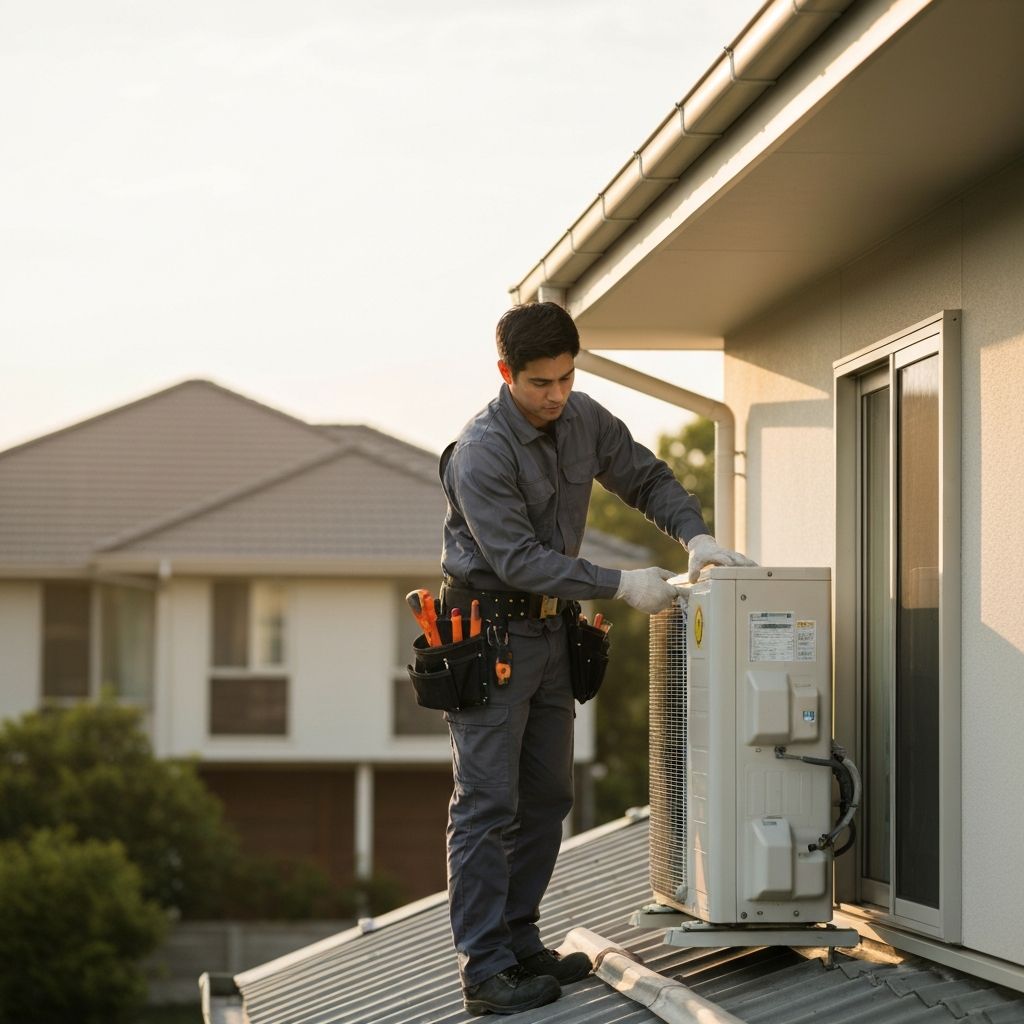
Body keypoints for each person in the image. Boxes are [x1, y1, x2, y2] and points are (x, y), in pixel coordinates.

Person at [437, 301, 754, 1016]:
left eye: (566, 378)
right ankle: (484, 970)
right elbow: (516, 559)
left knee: (549, 796)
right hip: (489, 637)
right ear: (505, 374)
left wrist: (694, 536)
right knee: (486, 804)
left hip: (552, 636)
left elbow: (645, 477)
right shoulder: (482, 451)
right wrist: (618, 584)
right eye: (540, 383)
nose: (556, 396)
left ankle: (521, 943)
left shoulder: (584, 420)